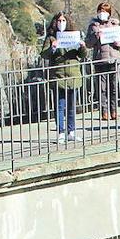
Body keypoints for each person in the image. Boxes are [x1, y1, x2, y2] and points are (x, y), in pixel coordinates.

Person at [40, 13, 85, 145]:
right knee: (60, 106)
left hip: (73, 74)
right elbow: (44, 54)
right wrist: (53, 47)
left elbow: (82, 55)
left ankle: (71, 132)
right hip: (58, 76)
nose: (61, 22)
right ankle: (61, 132)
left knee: (71, 106)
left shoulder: (74, 35)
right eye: (59, 20)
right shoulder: (51, 37)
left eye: (64, 20)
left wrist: (82, 47)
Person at [85, 1, 120, 121]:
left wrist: (119, 43)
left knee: (113, 86)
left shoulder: (114, 25)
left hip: (114, 58)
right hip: (100, 59)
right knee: (102, 88)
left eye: (105, 11)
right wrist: (96, 36)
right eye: (101, 11)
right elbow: (88, 43)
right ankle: (104, 111)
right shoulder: (93, 26)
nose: (103, 13)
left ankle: (114, 110)